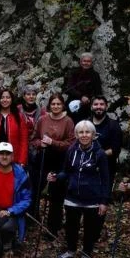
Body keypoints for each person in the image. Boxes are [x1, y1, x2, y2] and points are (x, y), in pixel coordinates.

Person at [48, 120, 110, 258]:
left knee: (90, 229)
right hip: (73, 196)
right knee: (71, 226)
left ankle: (86, 255)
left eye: (87, 132)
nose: (84, 135)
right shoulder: (71, 150)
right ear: (76, 134)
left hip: (92, 198)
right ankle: (71, 250)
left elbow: (106, 179)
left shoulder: (100, 154)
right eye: (81, 132)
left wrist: (104, 201)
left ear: (93, 134)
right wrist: (56, 176)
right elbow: (66, 171)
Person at [30, 93, 75, 236]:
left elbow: (71, 143)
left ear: (62, 105)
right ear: (49, 105)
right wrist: (40, 143)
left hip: (59, 160)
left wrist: (53, 143)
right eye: (53, 104)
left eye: (58, 104)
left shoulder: (68, 121)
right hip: (42, 158)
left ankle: (52, 228)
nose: (55, 106)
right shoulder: (43, 119)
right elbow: (34, 138)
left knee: (56, 195)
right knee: (35, 190)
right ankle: (32, 220)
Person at [64, 52, 103, 122]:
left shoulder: (95, 75)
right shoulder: (74, 73)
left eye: (88, 61)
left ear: (91, 63)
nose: (86, 63)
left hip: (88, 104)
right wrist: (81, 96)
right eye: (84, 61)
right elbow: (69, 88)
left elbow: (98, 92)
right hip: (73, 100)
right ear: (80, 62)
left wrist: (89, 99)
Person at [91, 95, 123, 178]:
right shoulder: (86, 124)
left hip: (107, 167)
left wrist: (98, 156)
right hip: (87, 166)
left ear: (106, 106)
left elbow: (115, 149)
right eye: (96, 104)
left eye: (101, 104)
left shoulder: (113, 125)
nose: (98, 107)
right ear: (91, 107)